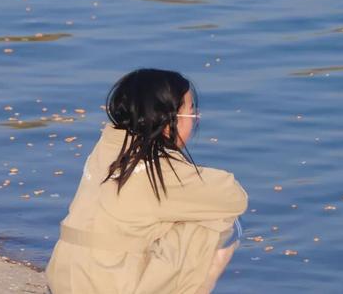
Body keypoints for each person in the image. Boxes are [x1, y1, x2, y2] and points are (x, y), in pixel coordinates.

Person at [46, 68, 248, 293]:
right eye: (192, 111)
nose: (196, 118)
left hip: (62, 277)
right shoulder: (160, 170)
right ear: (168, 120)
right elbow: (234, 197)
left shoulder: (106, 147)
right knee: (224, 223)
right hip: (106, 285)